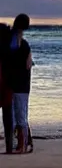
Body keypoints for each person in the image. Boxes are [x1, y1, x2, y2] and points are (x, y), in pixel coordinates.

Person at [5, 14, 33, 154]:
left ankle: (22, 145)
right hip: (20, 83)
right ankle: (23, 144)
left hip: (19, 83)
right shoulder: (22, 43)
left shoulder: (18, 43)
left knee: (19, 115)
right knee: (19, 115)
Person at [0, 23, 14, 154]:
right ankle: (9, 146)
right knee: (8, 117)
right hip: (8, 85)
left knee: (8, 116)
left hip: (3, 83)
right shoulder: (10, 50)